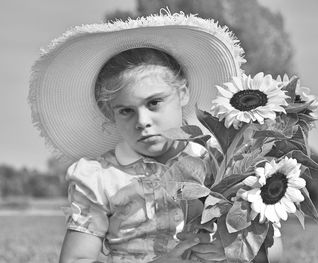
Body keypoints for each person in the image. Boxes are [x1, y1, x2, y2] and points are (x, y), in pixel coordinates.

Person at [28, 10, 280, 263]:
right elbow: (76, 258)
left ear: (183, 93)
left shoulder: (223, 165)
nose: (142, 122)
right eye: (126, 111)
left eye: (154, 103)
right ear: (109, 112)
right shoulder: (100, 177)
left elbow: (273, 251)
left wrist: (236, 250)